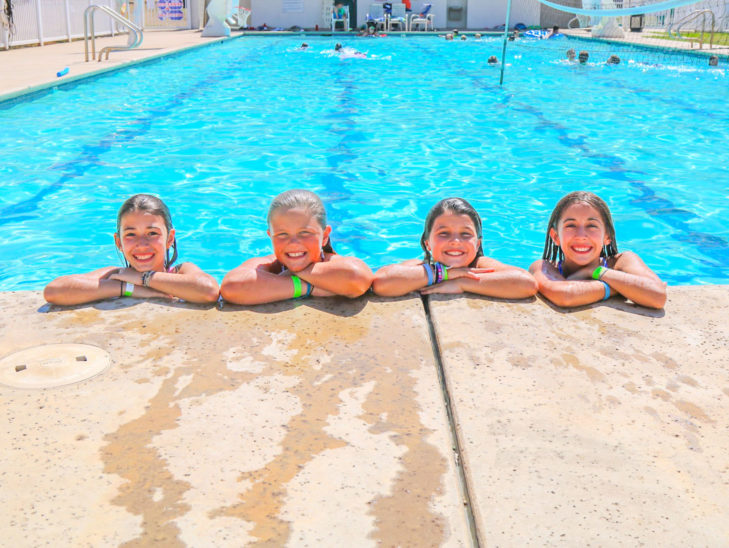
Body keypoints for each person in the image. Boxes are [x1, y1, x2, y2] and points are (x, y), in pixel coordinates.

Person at [44, 194, 220, 305]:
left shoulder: (181, 272)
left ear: (170, 239)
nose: (142, 244)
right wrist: (126, 288)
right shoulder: (116, 275)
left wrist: (144, 279)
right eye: (130, 234)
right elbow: (55, 290)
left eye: (152, 233)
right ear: (119, 242)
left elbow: (209, 290)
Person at [220, 189, 373, 305]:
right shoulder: (269, 263)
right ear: (270, 237)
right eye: (282, 234)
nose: (293, 243)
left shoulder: (333, 262)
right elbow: (232, 286)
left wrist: (289, 276)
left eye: (305, 232)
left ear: (325, 236)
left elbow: (357, 278)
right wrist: (307, 287)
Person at [372, 198, 537, 298]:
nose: (456, 241)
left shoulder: (479, 266)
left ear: (477, 243)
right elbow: (381, 283)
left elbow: (526, 283)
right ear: (428, 243)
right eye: (444, 233)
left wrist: (463, 283)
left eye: (465, 234)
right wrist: (443, 274)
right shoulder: (420, 267)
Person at [529, 191, 666, 309]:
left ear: (607, 236)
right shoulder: (544, 267)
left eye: (591, 226)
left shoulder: (622, 261)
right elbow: (565, 296)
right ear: (555, 236)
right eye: (571, 225)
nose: (581, 236)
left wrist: (596, 272)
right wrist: (620, 287)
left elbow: (658, 296)